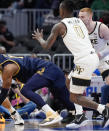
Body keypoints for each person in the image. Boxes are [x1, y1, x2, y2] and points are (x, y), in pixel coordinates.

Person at [32, 0, 109, 128]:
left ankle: (103, 110)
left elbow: (46, 46)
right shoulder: (79, 21)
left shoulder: (59, 26)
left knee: (74, 97)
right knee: (68, 81)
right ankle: (79, 116)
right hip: (89, 57)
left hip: (84, 60)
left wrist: (40, 38)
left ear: (62, 11)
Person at [0, 48, 75, 126]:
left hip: (46, 69)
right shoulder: (2, 61)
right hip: (53, 69)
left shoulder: (7, 68)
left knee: (26, 90)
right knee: (63, 97)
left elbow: (3, 93)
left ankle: (51, 114)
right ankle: (74, 114)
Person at [79, 7, 109, 118]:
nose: (80, 19)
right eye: (79, 17)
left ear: (90, 17)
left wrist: (100, 54)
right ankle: (77, 113)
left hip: (104, 57)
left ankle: (103, 110)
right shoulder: (80, 31)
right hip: (89, 59)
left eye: (82, 17)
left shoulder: (101, 27)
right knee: (72, 83)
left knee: (108, 83)